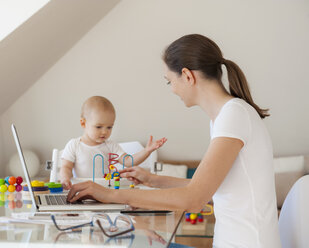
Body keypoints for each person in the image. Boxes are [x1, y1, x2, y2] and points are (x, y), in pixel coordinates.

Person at [66, 34, 281, 247]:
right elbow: (206, 189)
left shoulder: (234, 116)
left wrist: (111, 194)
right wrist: (153, 180)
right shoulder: (227, 116)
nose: (172, 89)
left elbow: (194, 199)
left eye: (170, 81)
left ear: (187, 76)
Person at [60, 95, 167, 189]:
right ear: (83, 123)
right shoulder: (74, 145)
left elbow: (129, 161)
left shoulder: (111, 146)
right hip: (81, 190)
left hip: (105, 191)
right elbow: (66, 167)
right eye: (98, 127)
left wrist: (147, 151)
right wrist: (65, 179)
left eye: (109, 127)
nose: (104, 132)